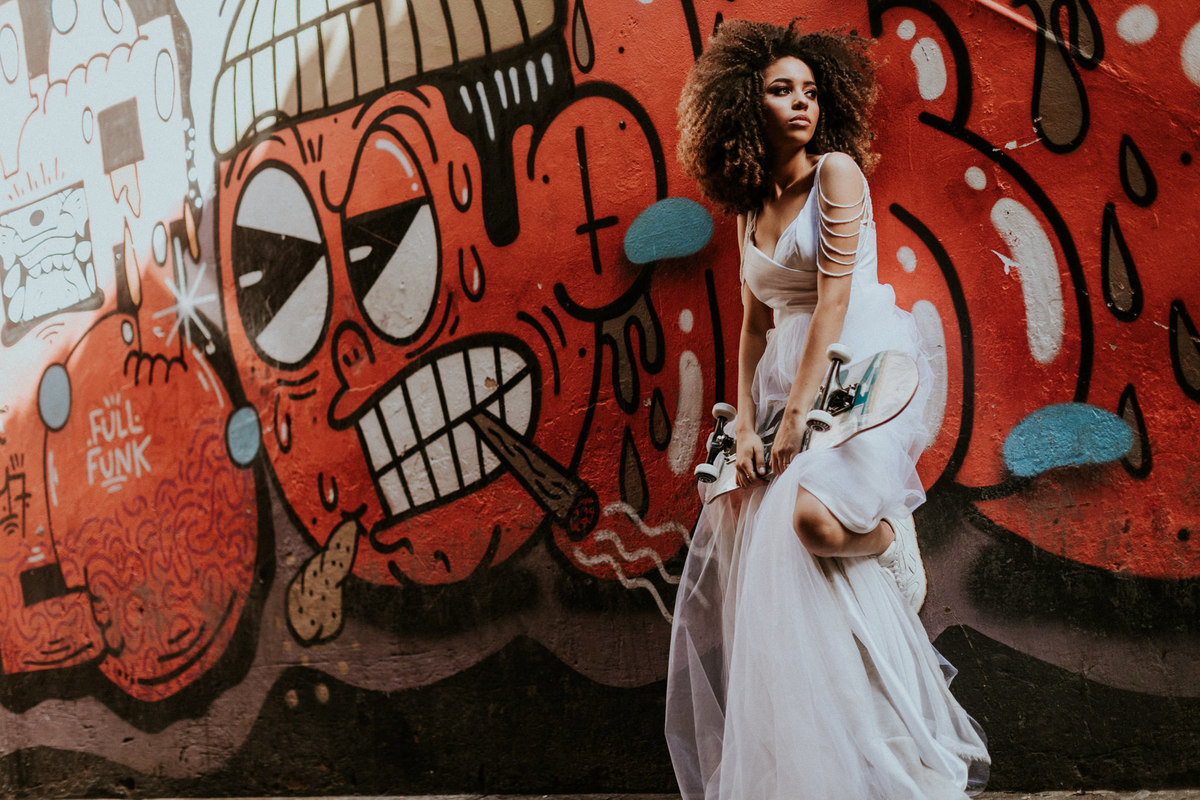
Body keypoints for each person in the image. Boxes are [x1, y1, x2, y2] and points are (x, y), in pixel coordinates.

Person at [665, 19, 991, 799]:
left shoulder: (837, 175)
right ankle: (818, 759)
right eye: (782, 90)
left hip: (857, 369)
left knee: (809, 525)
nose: (801, 103)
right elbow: (751, 328)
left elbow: (835, 304)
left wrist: (790, 424)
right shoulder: (750, 208)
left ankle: (884, 536)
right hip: (785, 382)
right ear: (748, 105)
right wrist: (747, 424)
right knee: (754, 540)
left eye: (811, 91)